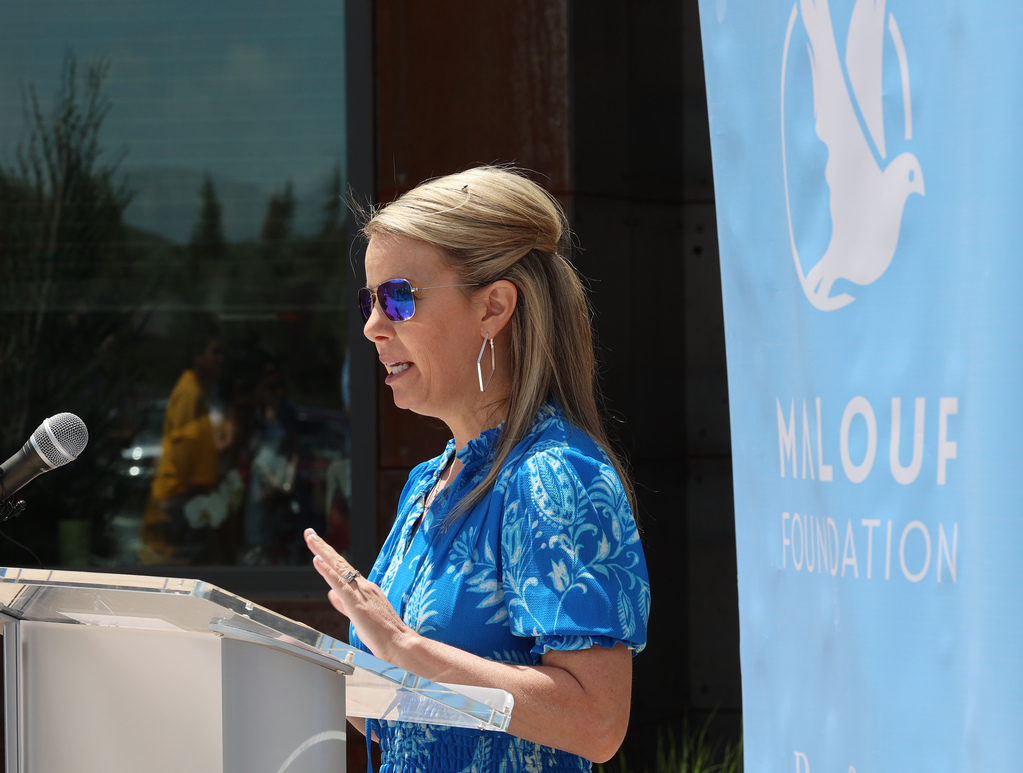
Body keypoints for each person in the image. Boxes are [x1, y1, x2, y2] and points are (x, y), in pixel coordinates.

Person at [304, 166, 650, 771]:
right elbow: (395, 719)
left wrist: (408, 648)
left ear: (493, 307)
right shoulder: (428, 483)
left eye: (399, 298)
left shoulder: (554, 477)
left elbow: (597, 722)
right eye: (369, 300)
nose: (372, 326)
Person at [141, 317, 225, 564]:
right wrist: (195, 488)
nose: (220, 359)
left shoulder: (197, 390)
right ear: (197, 356)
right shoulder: (189, 392)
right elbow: (181, 448)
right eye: (215, 352)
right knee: (186, 566)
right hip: (178, 497)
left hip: (183, 496)